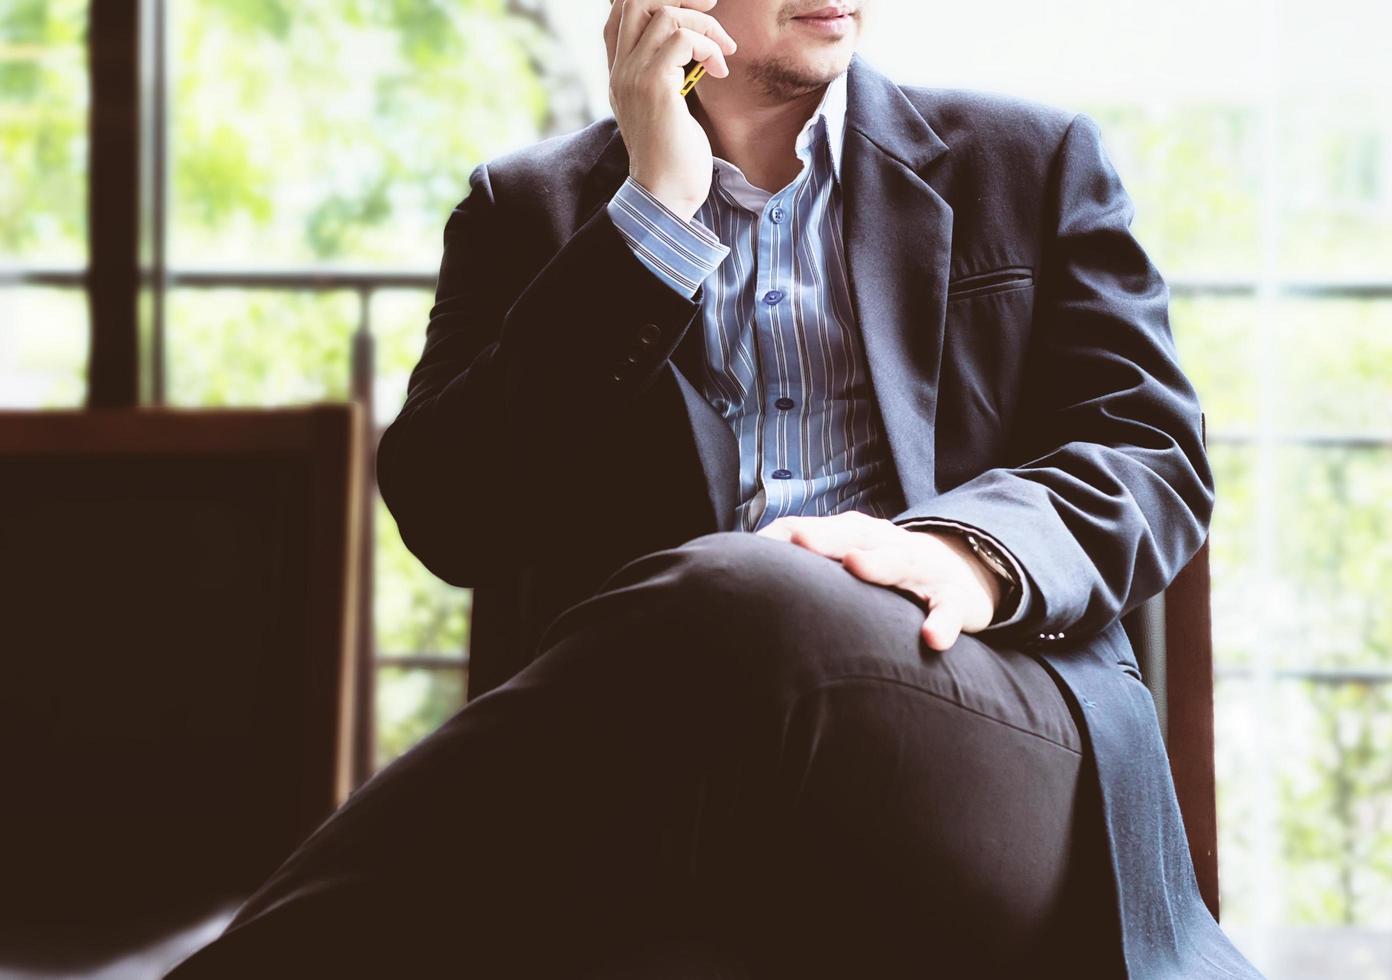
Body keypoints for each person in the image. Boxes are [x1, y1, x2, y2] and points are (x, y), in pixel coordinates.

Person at [167, 1, 1266, 976]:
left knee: (746, 586)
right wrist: (652, 218)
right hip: (674, 811)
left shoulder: (1026, 161)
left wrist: (966, 551)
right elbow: (453, 515)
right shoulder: (528, 210)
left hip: (990, 742)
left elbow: (1152, 449)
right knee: (721, 623)